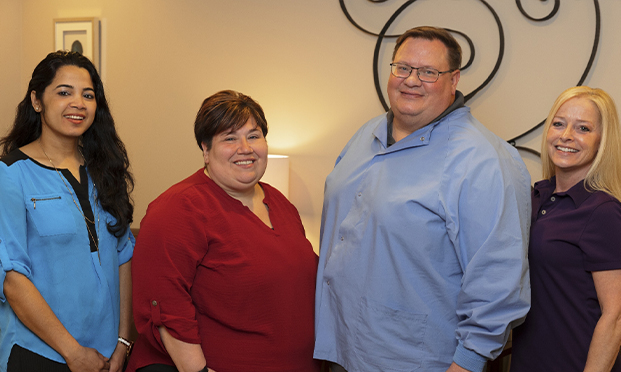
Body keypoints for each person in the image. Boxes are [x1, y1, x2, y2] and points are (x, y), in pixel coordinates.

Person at [314, 26, 532, 372]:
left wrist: (468, 363)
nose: (411, 80)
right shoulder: (364, 135)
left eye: (428, 72)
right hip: (340, 347)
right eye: (402, 68)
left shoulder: (484, 160)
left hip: (414, 359)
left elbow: (498, 282)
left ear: (454, 79)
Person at [126, 90, 320, 372]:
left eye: (254, 136)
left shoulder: (280, 203)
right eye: (229, 138)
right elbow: (165, 308)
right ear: (205, 149)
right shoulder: (179, 208)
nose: (245, 147)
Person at [0, 51, 135, 372]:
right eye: (64, 92)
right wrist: (72, 352)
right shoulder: (10, 175)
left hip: (106, 356)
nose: (78, 103)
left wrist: (123, 342)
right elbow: (11, 279)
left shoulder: (106, 170)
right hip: (38, 353)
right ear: (37, 100)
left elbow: (123, 255)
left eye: (88, 95)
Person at [511, 86, 621, 372]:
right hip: (528, 360)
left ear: (602, 142)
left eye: (583, 128)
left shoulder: (603, 211)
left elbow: (616, 316)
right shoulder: (536, 197)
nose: (566, 135)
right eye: (559, 124)